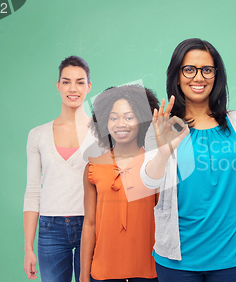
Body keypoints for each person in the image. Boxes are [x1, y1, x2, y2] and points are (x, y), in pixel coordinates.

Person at [140, 38, 236, 282]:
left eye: (207, 70)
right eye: (189, 69)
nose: (198, 77)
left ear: (216, 76)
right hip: (178, 261)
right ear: (177, 76)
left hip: (235, 257)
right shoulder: (161, 127)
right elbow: (146, 184)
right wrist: (164, 151)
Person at [23, 56, 103, 281]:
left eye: (80, 82)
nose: (73, 88)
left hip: (92, 223)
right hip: (50, 229)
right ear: (58, 85)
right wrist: (28, 248)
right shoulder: (37, 135)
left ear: (88, 87)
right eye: (66, 82)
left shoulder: (102, 132)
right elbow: (32, 192)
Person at [79, 85, 160, 282]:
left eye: (129, 117)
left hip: (149, 272)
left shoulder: (156, 165)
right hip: (103, 271)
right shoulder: (93, 167)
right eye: (113, 118)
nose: (120, 124)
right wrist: (83, 274)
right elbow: (89, 223)